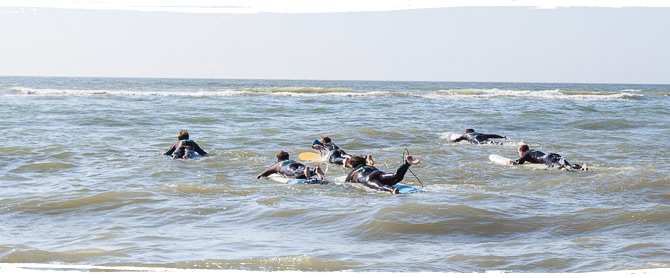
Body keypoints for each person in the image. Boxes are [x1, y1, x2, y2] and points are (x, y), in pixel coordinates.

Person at [344, 154, 421, 194]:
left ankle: (392, 191)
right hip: (377, 173)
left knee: (380, 187)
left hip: (367, 178)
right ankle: (407, 164)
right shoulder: (369, 165)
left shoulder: (353, 172)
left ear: (353, 165)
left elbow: (347, 182)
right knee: (396, 177)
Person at [509, 144, 587, 171]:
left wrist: (510, 162)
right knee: (569, 166)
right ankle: (582, 168)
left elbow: (519, 162)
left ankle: (562, 168)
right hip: (552, 155)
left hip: (546, 158)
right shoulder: (531, 151)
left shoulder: (525, 154)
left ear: (521, 151)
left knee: (560, 167)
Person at [257, 151, 325, 180]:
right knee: (302, 168)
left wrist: (257, 178)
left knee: (294, 172)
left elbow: (263, 174)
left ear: (278, 159)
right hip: (298, 164)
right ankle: (314, 170)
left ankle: (304, 172)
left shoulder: (277, 165)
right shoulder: (292, 161)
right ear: (288, 157)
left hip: (287, 167)